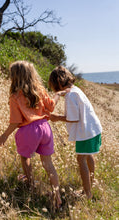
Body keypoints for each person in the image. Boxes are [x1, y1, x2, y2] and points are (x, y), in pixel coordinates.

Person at [0, 60, 64, 208]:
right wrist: (57, 94)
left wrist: (5, 135)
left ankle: (30, 183)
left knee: (25, 158)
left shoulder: (15, 96)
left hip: (28, 131)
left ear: (15, 77)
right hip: (45, 128)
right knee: (48, 164)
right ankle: (57, 196)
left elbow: (15, 121)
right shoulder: (39, 89)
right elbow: (51, 106)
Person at [48, 66, 102, 199]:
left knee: (81, 159)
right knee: (88, 156)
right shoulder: (76, 90)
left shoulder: (71, 95)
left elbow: (73, 118)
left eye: (55, 87)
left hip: (85, 132)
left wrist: (56, 118)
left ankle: (87, 193)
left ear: (59, 83)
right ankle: (92, 182)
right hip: (92, 129)